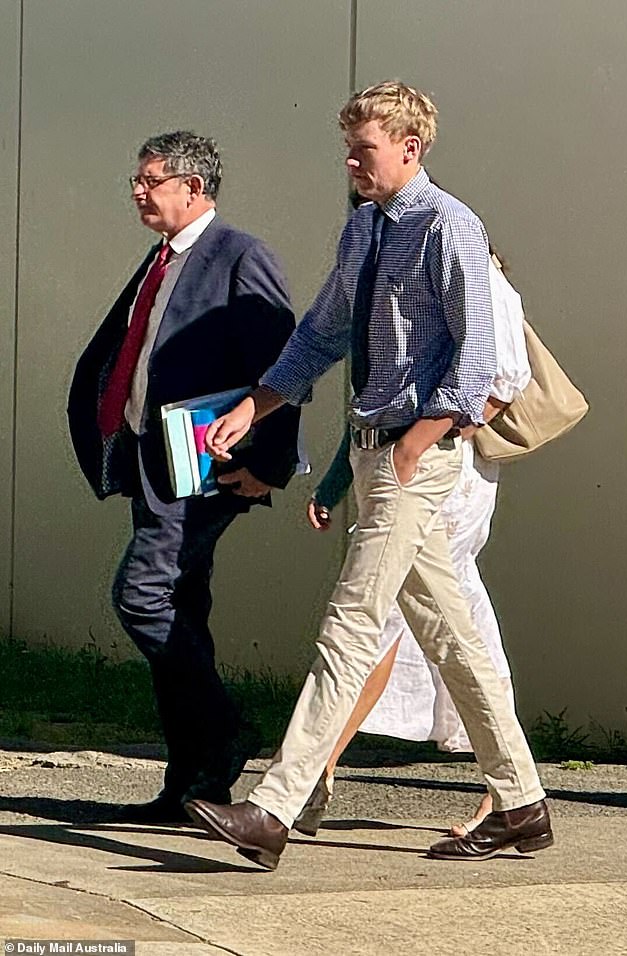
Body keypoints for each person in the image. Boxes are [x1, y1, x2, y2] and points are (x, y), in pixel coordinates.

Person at [185, 81, 552, 867]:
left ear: (411, 149)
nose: (352, 160)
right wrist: (258, 407)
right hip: (375, 451)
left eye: (366, 147)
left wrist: (415, 446)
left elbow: (480, 362)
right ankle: (522, 802)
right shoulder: (362, 230)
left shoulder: (452, 227)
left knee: (351, 625)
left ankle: (274, 808)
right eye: (348, 146)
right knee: (451, 636)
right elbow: (321, 334)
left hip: (415, 458)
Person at [68, 131, 300, 824]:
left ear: (194, 188)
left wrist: (269, 465)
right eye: (137, 178)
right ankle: (193, 783)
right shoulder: (163, 256)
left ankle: (225, 732)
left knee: (142, 595)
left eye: (151, 180)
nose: (138, 190)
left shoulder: (239, 256)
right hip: (151, 460)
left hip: (211, 468)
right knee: (180, 606)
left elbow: (284, 363)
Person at [294, 249, 531, 838]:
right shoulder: (396, 279)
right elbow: (381, 398)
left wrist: (427, 441)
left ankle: (303, 782)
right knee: (431, 622)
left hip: (444, 476)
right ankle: (515, 794)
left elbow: (504, 375)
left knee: (386, 622)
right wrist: (341, 475)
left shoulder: (474, 273)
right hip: (407, 468)